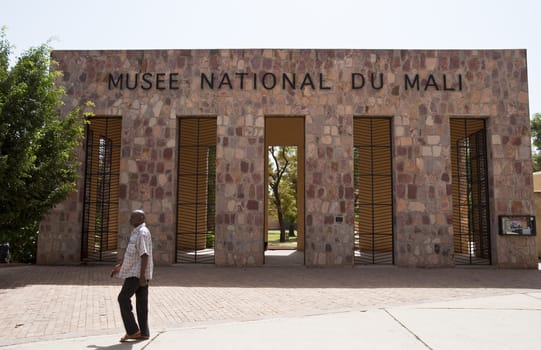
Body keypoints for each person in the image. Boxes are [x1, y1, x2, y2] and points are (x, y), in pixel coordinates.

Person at [111, 209, 154, 342]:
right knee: (141, 303)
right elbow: (133, 254)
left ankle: (132, 331)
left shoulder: (141, 233)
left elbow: (144, 254)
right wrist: (121, 266)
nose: (130, 219)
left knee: (122, 298)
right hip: (137, 272)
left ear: (141, 218)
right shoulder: (138, 232)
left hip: (136, 274)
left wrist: (141, 276)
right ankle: (144, 332)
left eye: (133, 217)